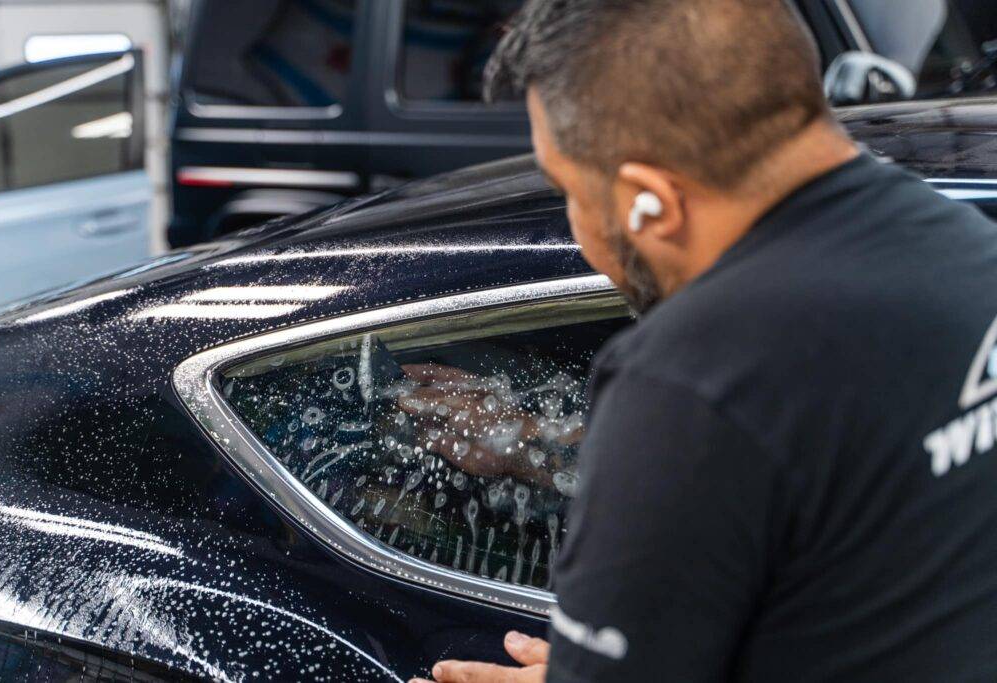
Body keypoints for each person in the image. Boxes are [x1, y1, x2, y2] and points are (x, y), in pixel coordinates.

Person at [411, 0, 997, 682]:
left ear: (647, 200)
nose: (576, 225)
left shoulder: (689, 378)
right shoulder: (971, 253)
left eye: (567, 188)